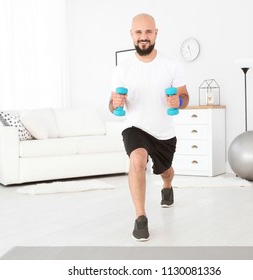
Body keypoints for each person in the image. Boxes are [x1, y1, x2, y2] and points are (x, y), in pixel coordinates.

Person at [109, 13, 189, 241]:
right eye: (138, 32)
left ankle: (167, 185)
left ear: (155, 33)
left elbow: (184, 96)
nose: (143, 37)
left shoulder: (171, 65)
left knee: (166, 171)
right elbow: (113, 106)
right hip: (135, 127)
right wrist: (115, 104)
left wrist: (179, 102)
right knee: (137, 161)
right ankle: (140, 218)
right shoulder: (121, 69)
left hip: (164, 131)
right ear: (131, 35)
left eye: (147, 32)